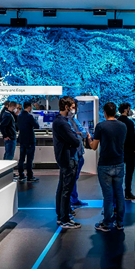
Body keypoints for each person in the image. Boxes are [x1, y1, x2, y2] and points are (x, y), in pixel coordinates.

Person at [90, 102, 127, 232]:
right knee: (119, 193)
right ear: (115, 112)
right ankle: (120, 222)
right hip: (119, 163)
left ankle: (106, 223)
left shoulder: (101, 126)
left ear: (104, 112)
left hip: (105, 164)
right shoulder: (123, 126)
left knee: (108, 196)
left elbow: (94, 146)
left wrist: (88, 139)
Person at [52, 96, 82, 229]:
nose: (74, 109)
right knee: (66, 190)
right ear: (66, 107)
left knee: (62, 188)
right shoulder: (62, 123)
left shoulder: (61, 121)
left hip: (65, 158)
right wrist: (76, 138)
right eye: (73, 107)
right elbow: (75, 141)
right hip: (68, 159)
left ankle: (61, 216)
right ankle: (64, 219)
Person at [69, 99, 91, 209]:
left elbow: (84, 133)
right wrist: (79, 134)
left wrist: (79, 133)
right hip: (72, 155)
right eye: (73, 107)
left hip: (79, 153)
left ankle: (73, 199)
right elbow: (73, 135)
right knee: (70, 179)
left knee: (74, 178)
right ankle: (70, 202)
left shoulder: (75, 120)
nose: (75, 109)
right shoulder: (65, 122)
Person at [117, 103, 135, 201]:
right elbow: (131, 137)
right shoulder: (129, 123)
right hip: (129, 150)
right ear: (126, 110)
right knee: (129, 172)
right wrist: (134, 148)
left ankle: (118, 193)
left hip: (119, 150)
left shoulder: (117, 121)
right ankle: (128, 192)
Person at [16, 101, 40, 183]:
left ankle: (21, 174)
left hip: (22, 139)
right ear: (29, 107)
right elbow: (36, 126)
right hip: (29, 140)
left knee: (21, 158)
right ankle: (30, 176)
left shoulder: (19, 116)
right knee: (29, 159)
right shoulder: (29, 116)